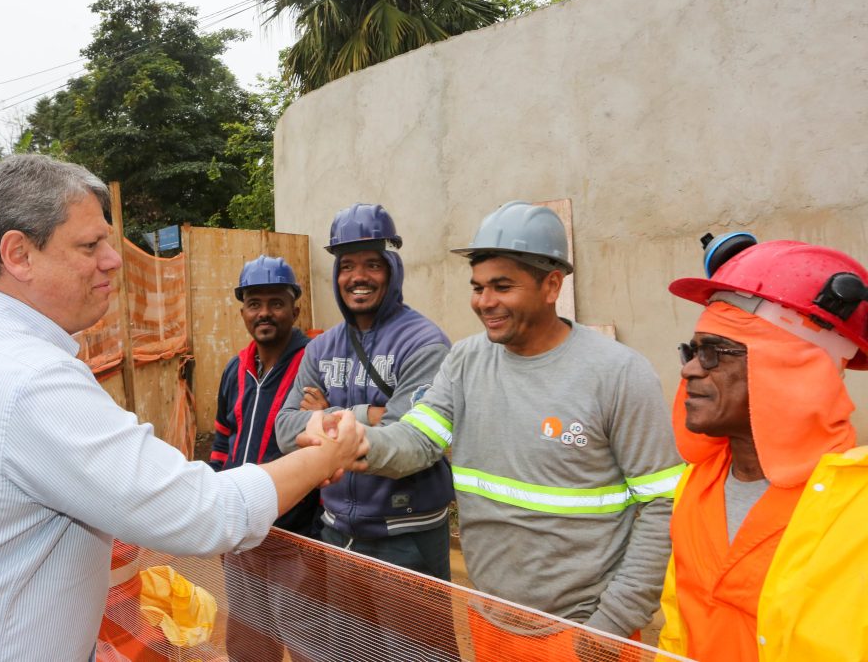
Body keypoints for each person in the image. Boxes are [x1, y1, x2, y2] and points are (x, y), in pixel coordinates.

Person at [0, 154, 367, 661]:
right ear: (19, 254)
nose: (113, 260)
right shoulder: (26, 378)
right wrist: (327, 454)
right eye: (91, 244)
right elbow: (205, 512)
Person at [306, 201, 684, 657]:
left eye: (502, 287)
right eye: (478, 287)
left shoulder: (617, 373)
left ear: (551, 285)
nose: (484, 303)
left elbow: (663, 504)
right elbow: (419, 439)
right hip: (489, 617)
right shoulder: (466, 361)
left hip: (585, 630)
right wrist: (357, 440)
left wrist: (611, 625)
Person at [658, 235, 868, 662]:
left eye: (716, 353)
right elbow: (677, 629)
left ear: (793, 369)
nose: (690, 370)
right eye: (693, 351)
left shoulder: (857, 511)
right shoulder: (697, 484)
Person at [275, 202, 457, 658]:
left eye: (372, 264)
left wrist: (331, 413)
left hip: (408, 537)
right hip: (339, 532)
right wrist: (368, 415)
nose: (359, 276)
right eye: (347, 265)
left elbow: (411, 446)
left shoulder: (424, 342)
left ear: (392, 269)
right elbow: (284, 428)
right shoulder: (323, 347)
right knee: (351, 653)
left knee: (417, 655)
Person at [210, 255, 321, 662]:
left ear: (295, 308)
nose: (265, 313)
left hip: (295, 538)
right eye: (254, 303)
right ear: (242, 312)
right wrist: (220, 505)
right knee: (249, 638)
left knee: (307, 639)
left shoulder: (316, 363)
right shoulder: (234, 370)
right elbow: (223, 439)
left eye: (276, 302)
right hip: (242, 532)